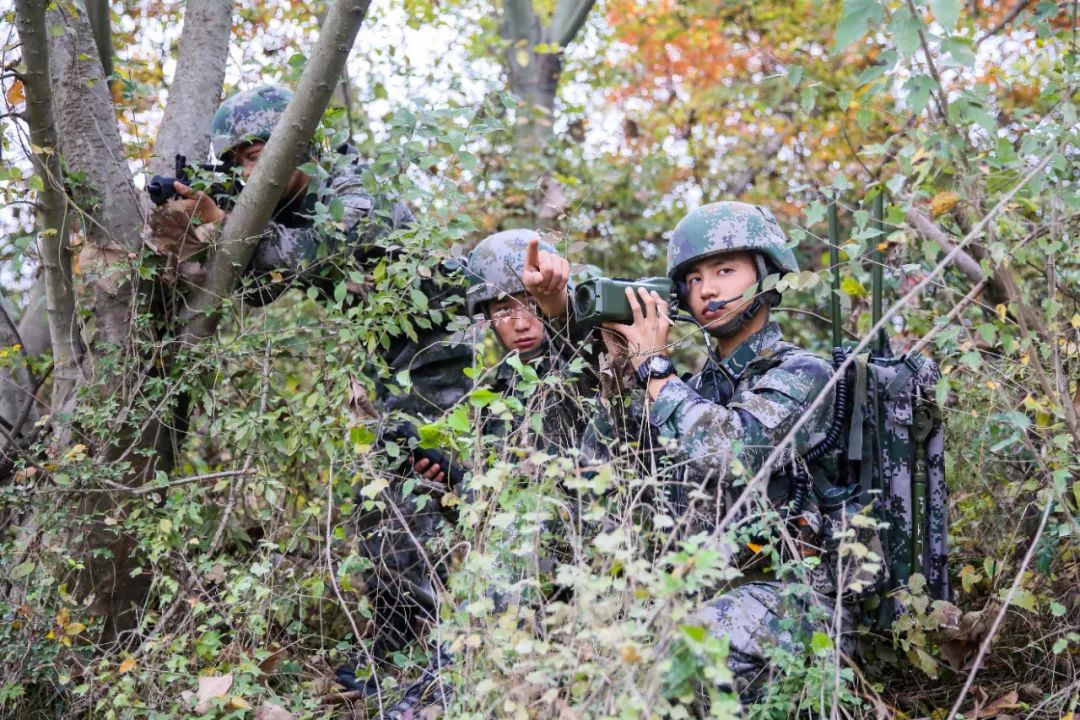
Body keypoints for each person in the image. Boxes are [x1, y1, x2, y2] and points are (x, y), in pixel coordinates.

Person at [597, 201, 850, 703]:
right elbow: (610, 469)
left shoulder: (805, 374)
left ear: (767, 275)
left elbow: (731, 450)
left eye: (725, 271)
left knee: (686, 650)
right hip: (701, 589)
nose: (707, 289)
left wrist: (654, 370)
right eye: (692, 279)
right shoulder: (688, 388)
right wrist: (621, 378)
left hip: (799, 599)